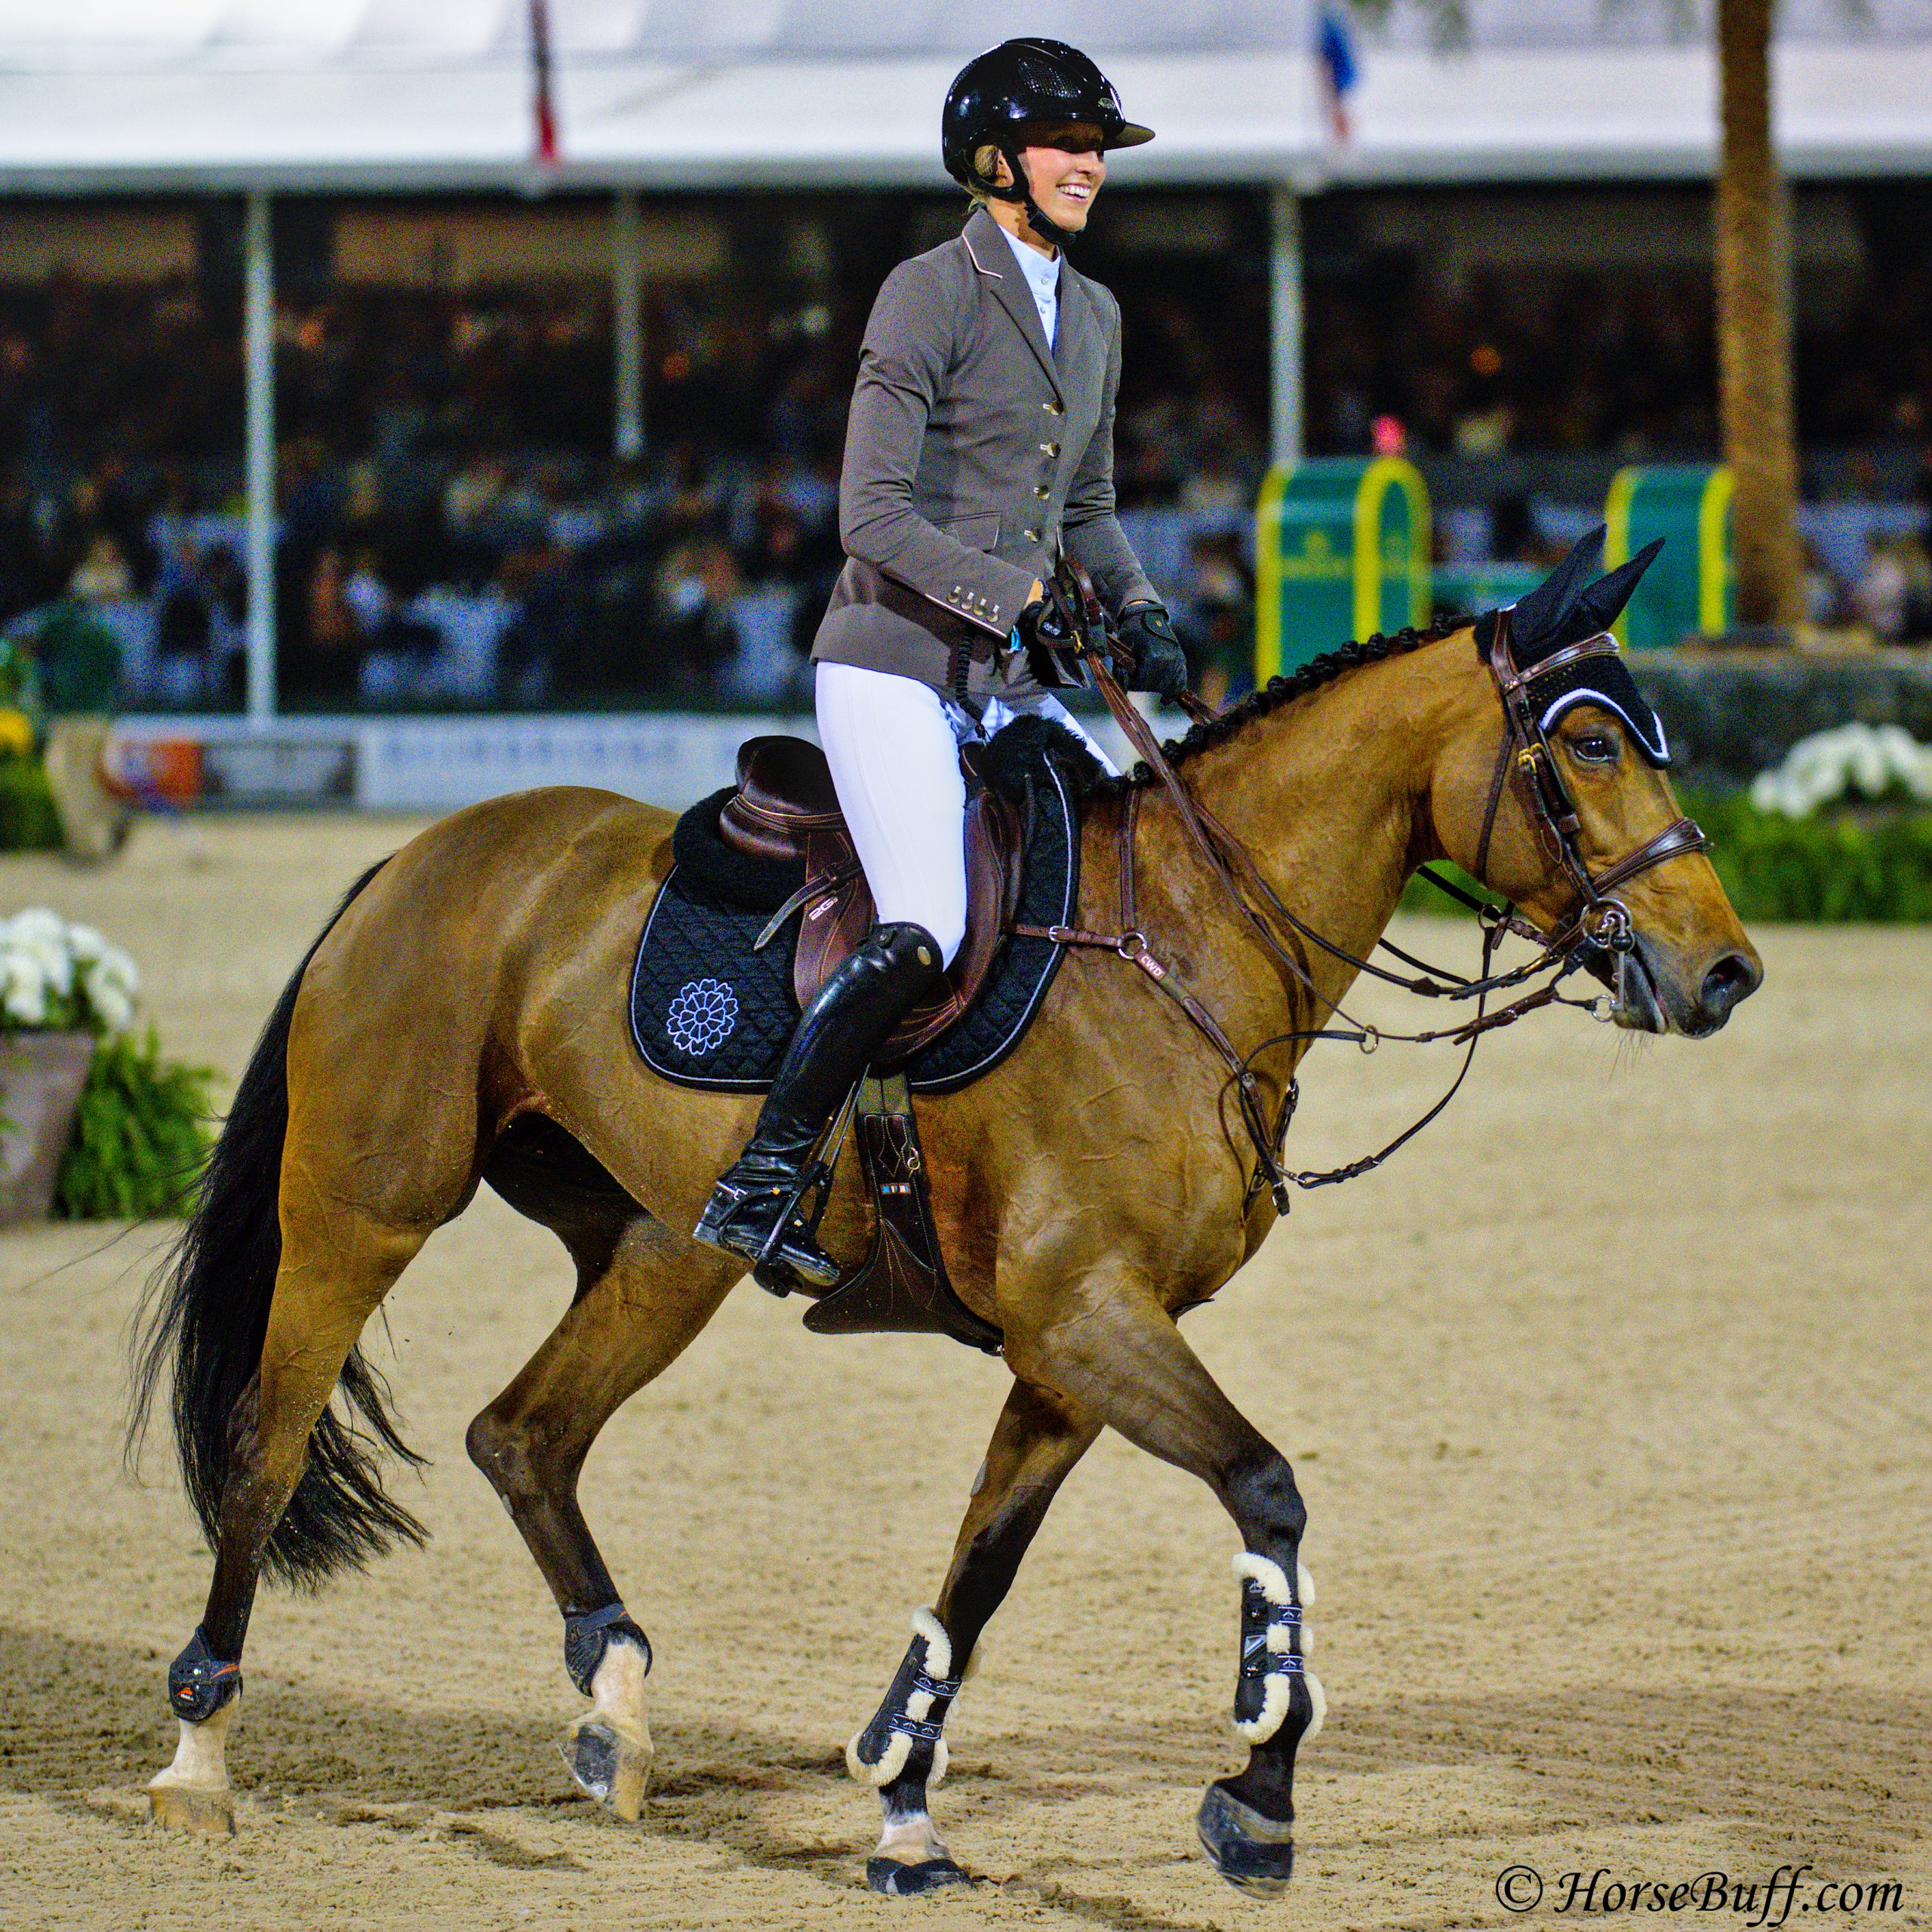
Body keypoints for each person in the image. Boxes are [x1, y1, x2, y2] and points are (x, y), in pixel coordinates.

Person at [695, 38, 1189, 1287]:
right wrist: (1011, 592)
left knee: (1135, 862)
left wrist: (1136, 602)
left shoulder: (1100, 316)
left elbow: (1090, 505)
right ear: (994, 161)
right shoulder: (930, 291)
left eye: (1098, 146)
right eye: (1069, 144)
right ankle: (766, 1173)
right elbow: (870, 515)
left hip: (1009, 686)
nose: (1090, 164)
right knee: (926, 917)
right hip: (892, 665)